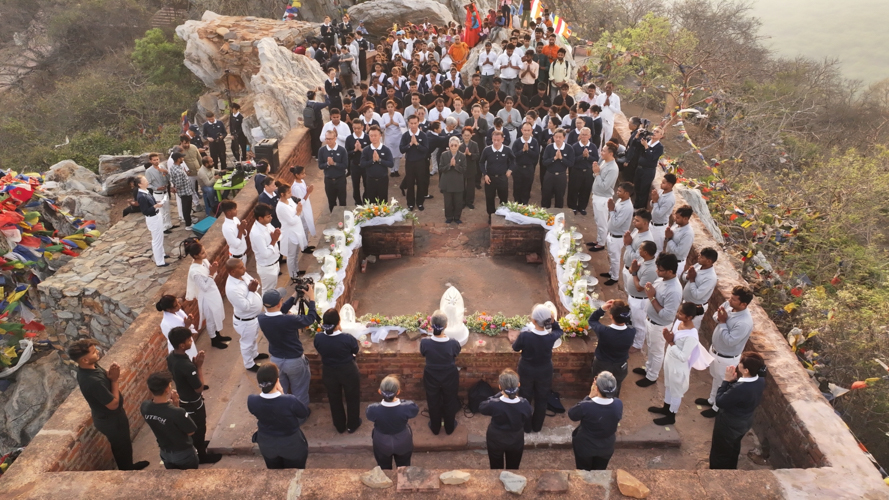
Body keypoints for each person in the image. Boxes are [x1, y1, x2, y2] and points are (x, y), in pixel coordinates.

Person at [67, 339, 150, 471]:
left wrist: (111, 374)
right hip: (111, 420)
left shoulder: (90, 367)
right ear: (85, 360)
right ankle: (127, 471)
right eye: (93, 352)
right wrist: (115, 380)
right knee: (122, 446)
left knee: (123, 445)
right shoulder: (92, 381)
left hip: (110, 418)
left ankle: (128, 466)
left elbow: (105, 376)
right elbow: (113, 405)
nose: (97, 352)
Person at [697, 286, 755, 418]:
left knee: (722, 382)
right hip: (715, 351)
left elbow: (730, 341)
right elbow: (715, 316)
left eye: (734, 299)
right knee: (715, 378)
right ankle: (711, 400)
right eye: (731, 297)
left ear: (743, 304)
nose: (729, 301)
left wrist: (723, 322)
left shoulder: (744, 322)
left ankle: (717, 407)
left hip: (726, 357)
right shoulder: (729, 305)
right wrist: (720, 318)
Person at [166, 327, 222, 464]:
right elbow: (199, 388)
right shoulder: (186, 366)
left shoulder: (171, 357)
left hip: (184, 397)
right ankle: (201, 455)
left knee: (195, 427)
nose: (191, 341)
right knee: (199, 427)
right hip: (193, 402)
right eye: (189, 340)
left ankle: (200, 444)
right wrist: (199, 367)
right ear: (182, 345)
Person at [648, 302, 711, 425]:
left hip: (678, 367)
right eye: (678, 312)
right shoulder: (678, 323)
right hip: (670, 360)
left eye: (681, 314)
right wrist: (669, 335)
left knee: (676, 391)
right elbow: (673, 337)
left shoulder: (692, 336)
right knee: (668, 385)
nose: (677, 315)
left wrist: (671, 342)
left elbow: (683, 356)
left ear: (689, 317)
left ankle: (671, 415)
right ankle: (666, 407)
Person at [258, 287, 317, 414]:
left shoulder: (261, 318)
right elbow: (310, 319)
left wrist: (295, 295)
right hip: (294, 361)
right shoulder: (289, 320)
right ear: (280, 302)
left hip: (276, 360)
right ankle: (300, 415)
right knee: (299, 391)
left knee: (280, 392)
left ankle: (285, 414)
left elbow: (279, 310)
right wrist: (312, 298)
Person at [708, 352, 767, 469]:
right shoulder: (760, 380)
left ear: (746, 371)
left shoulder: (740, 388)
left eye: (740, 363)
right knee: (733, 447)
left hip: (729, 424)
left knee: (720, 451)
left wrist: (726, 381)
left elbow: (720, 401)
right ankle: (731, 468)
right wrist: (733, 382)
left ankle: (717, 472)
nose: (738, 364)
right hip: (744, 421)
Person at [247, 363, 311, 469]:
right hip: (292, 445)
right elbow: (303, 413)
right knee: (295, 472)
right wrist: (282, 394)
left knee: (274, 473)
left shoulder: (252, 400)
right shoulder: (289, 400)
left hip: (267, 445)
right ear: (277, 381)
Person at [512, 303, 562, 433]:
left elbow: (515, 347)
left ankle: (526, 427)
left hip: (526, 369)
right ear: (548, 320)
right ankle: (537, 426)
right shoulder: (550, 337)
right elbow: (559, 330)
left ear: (533, 320)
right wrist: (553, 321)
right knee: (542, 398)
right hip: (544, 370)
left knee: (525, 396)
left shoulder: (525, 336)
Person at [635, 252, 683, 387]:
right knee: (650, 346)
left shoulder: (674, 290)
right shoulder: (662, 279)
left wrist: (651, 297)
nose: (657, 271)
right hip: (651, 320)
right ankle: (648, 368)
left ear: (670, 271)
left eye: (660, 270)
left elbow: (667, 315)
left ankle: (652, 376)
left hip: (660, 325)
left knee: (657, 351)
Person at [313, 308, 362, 433]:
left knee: (334, 399)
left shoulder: (318, 338)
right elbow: (355, 350)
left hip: (329, 371)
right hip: (348, 371)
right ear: (338, 323)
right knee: (352, 397)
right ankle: (352, 424)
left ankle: (339, 426)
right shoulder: (347, 338)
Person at [141, 371, 199, 470]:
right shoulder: (177, 412)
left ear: (149, 388)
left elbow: (162, 418)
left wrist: (174, 407)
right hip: (183, 453)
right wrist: (177, 406)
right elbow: (190, 431)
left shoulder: (145, 407)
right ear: (167, 389)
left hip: (165, 453)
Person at [479, 368, 532, 469]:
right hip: (516, 438)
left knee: (495, 466)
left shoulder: (494, 404)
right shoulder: (524, 404)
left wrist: (498, 395)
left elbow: (482, 407)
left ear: (500, 387)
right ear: (518, 385)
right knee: (513, 467)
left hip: (495, 438)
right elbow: (528, 413)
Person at [568, 372, 623, 471]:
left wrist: (589, 396)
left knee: (583, 471)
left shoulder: (586, 406)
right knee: (599, 472)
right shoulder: (618, 404)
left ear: (596, 388)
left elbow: (572, 414)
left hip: (585, 446)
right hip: (606, 447)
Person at [420, 310, 462, 435]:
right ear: (446, 326)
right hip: (449, 375)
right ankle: (449, 427)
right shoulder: (453, 343)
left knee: (433, 400)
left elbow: (423, 353)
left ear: (431, 325)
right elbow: (456, 353)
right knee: (450, 400)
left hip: (431, 375)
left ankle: (435, 427)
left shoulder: (425, 343)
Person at [183, 239, 230, 349]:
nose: (206, 254)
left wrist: (213, 271)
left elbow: (212, 276)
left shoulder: (203, 262)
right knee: (210, 319)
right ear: (195, 256)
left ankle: (218, 335)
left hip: (213, 292)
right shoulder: (195, 272)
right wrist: (212, 273)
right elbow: (203, 287)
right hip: (206, 297)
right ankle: (214, 339)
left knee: (216, 314)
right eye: (203, 253)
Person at [366, 375, 420, 469]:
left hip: (381, 443)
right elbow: (414, 409)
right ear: (398, 392)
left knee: (384, 469)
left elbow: (370, 416)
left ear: (379, 391)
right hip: (403, 442)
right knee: (404, 469)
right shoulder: (408, 407)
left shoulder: (372, 409)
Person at [225, 258, 268, 372]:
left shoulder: (242, 275)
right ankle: (249, 364)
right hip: (246, 321)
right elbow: (245, 306)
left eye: (243, 266)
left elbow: (255, 285)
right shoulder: (232, 289)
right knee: (247, 343)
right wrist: (251, 291)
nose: (245, 268)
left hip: (254, 317)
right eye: (241, 267)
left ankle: (254, 355)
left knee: (253, 338)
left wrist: (254, 287)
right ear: (232, 272)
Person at [587, 300, 636, 397]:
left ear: (611, 316)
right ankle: (612, 402)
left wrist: (602, 309)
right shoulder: (632, 331)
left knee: (598, 387)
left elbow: (592, 320)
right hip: (620, 366)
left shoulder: (604, 331)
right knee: (615, 387)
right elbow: (628, 323)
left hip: (602, 364)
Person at [626, 241, 659, 352]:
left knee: (639, 323)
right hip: (633, 297)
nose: (638, 250)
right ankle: (632, 339)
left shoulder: (651, 269)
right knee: (632, 320)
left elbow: (640, 287)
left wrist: (634, 273)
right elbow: (631, 270)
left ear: (645, 252)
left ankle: (637, 344)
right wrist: (633, 269)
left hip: (640, 300)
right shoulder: (643, 260)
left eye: (640, 248)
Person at [601, 182, 634, 286]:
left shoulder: (627, 207)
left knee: (615, 258)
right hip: (612, 234)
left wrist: (611, 209)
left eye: (620, 191)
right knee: (611, 256)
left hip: (618, 237)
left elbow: (616, 223)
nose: (617, 192)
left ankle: (615, 277)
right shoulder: (620, 200)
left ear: (627, 193)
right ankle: (611, 272)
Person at [588, 142, 619, 251]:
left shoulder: (613, 169)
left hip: (603, 198)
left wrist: (596, 173)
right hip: (597, 195)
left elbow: (605, 186)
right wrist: (595, 170)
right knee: (598, 220)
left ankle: (601, 244)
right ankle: (598, 239)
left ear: (610, 153)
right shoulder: (604, 162)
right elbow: (597, 176)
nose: (601, 152)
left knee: (602, 222)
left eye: (604, 151)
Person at [479, 130, 514, 221]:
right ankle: (491, 215)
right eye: (494, 140)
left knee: (503, 197)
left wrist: (510, 170)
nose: (496, 142)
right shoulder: (487, 150)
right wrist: (485, 174)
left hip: (502, 178)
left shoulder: (507, 150)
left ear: (502, 139)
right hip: (490, 178)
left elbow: (513, 160)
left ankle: (502, 214)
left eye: (498, 140)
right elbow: (481, 162)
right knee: (490, 197)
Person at [276, 184, 309, 281]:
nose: (291, 194)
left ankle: (296, 270)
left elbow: (295, 212)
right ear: (282, 194)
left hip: (297, 230)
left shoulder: (289, 200)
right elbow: (291, 221)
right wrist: (298, 212)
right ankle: (293, 276)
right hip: (290, 234)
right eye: (289, 192)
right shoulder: (281, 207)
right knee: (291, 256)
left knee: (296, 254)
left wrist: (298, 210)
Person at [681, 247, 719, 330]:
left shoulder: (710, 278)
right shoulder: (699, 265)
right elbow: (684, 276)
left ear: (709, 261)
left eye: (702, 257)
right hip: (686, 303)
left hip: (696, 308)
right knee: (680, 326)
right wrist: (688, 276)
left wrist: (692, 279)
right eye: (700, 256)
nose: (699, 258)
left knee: (689, 330)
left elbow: (697, 295)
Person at [249, 203, 282, 296]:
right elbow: (265, 254)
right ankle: (268, 309)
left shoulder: (267, 225)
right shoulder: (257, 234)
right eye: (268, 216)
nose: (271, 218)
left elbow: (277, 236)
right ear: (260, 218)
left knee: (273, 288)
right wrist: (274, 240)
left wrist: (277, 236)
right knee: (268, 291)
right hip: (267, 267)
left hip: (274, 263)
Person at [134, 175, 168, 267]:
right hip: (153, 218)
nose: (147, 182)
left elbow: (151, 202)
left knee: (160, 236)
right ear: (140, 184)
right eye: (145, 181)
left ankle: (162, 254)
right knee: (156, 240)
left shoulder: (146, 191)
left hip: (157, 215)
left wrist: (157, 203)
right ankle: (159, 261)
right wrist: (155, 206)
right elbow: (145, 211)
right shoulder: (141, 196)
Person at [399, 115, 431, 210]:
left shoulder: (423, 135)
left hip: (420, 163)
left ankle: (420, 203)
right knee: (410, 183)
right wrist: (410, 144)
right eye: (411, 123)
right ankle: (410, 204)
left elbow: (426, 149)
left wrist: (417, 144)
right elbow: (401, 149)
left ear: (418, 123)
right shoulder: (405, 136)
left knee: (421, 183)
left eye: (415, 123)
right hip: (409, 162)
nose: (413, 125)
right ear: (408, 123)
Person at [540, 127, 574, 208]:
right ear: (553, 137)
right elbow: (544, 162)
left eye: (560, 137)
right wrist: (554, 158)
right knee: (546, 196)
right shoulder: (549, 147)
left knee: (559, 197)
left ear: (564, 138)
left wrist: (561, 158)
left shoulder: (569, 148)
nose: (558, 139)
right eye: (556, 137)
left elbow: (571, 163)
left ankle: (557, 218)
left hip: (561, 176)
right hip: (549, 175)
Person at [156, 295, 199, 359]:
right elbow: (176, 340)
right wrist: (186, 326)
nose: (179, 305)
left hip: (188, 343)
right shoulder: (166, 324)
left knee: (195, 359)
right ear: (168, 309)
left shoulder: (178, 312)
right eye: (176, 305)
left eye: (178, 302)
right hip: (181, 350)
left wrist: (189, 321)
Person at [632, 126, 664, 209]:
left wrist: (646, 147)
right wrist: (638, 135)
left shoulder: (659, 147)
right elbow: (635, 144)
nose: (654, 133)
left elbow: (651, 157)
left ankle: (640, 208)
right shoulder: (647, 141)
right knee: (637, 187)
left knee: (643, 190)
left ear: (661, 136)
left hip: (648, 171)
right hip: (639, 168)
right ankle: (635, 204)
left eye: (657, 132)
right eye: (654, 131)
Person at [360, 125, 394, 203]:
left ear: (380, 136)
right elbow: (362, 164)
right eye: (371, 136)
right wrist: (372, 161)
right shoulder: (366, 150)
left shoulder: (385, 149)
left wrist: (379, 160)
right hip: (370, 180)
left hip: (383, 180)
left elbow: (391, 164)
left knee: (383, 202)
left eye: (375, 135)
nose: (373, 138)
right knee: (371, 202)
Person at [569, 127, 598, 215]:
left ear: (589, 136)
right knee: (574, 189)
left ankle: (582, 207)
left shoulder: (593, 146)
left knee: (586, 190)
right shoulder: (574, 146)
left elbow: (596, 159)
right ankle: (573, 207)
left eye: (586, 135)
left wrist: (588, 156)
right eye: (582, 134)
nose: (584, 136)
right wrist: (582, 156)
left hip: (588, 172)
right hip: (577, 171)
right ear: (580, 135)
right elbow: (572, 160)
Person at [318, 130, 349, 212]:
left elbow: (345, 165)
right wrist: (328, 164)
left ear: (335, 138)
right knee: (331, 202)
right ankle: (333, 220)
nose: (328, 141)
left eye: (330, 139)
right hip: (329, 180)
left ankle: (343, 219)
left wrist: (334, 163)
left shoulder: (342, 150)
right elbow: (320, 166)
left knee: (342, 202)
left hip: (340, 179)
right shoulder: (322, 150)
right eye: (327, 139)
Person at [438, 136, 466, 223]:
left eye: (455, 145)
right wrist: (449, 165)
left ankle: (457, 217)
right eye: (452, 145)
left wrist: (455, 165)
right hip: (447, 183)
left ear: (459, 146)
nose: (453, 147)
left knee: (458, 202)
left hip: (458, 183)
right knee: (448, 202)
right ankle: (449, 217)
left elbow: (464, 169)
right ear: (449, 145)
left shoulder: (462, 156)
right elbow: (441, 168)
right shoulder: (444, 155)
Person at [144, 153, 174, 233]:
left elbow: (168, 177)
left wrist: (166, 172)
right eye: (154, 160)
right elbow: (148, 184)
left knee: (167, 210)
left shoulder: (162, 167)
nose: (156, 161)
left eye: (157, 159)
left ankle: (169, 225)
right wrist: (157, 188)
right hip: (158, 194)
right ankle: (163, 228)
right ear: (151, 161)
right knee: (161, 211)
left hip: (165, 192)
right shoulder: (149, 171)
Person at [510, 122, 539, 205]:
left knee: (527, 188)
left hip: (529, 168)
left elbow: (536, 155)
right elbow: (513, 155)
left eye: (528, 130)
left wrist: (528, 151)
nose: (526, 132)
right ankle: (517, 205)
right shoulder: (517, 142)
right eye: (525, 130)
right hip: (518, 168)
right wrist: (522, 151)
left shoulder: (534, 142)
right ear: (521, 130)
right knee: (517, 187)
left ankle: (525, 205)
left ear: (531, 131)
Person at [649, 173, 676, 251]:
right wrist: (654, 200)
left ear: (670, 185)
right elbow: (652, 204)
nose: (661, 184)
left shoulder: (670, 199)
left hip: (659, 228)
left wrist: (655, 201)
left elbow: (659, 213)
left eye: (664, 183)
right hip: (652, 224)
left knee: (656, 249)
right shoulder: (661, 191)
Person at [346, 120, 371, 205]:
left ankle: (366, 199)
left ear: (362, 127)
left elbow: (370, 152)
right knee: (355, 185)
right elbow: (347, 153)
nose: (356, 130)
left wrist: (361, 150)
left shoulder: (367, 138)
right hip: (354, 165)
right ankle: (357, 201)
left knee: (367, 184)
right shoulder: (349, 138)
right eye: (354, 128)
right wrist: (354, 150)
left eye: (358, 128)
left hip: (365, 166)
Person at [168, 152, 195, 230]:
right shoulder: (178, 171)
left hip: (185, 191)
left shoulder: (174, 167)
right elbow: (179, 183)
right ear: (178, 159)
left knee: (186, 208)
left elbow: (172, 178)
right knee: (186, 208)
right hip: (185, 192)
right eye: (181, 157)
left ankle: (189, 220)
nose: (183, 159)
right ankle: (188, 224)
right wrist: (175, 187)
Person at [664, 205, 695, 272]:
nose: (675, 219)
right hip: (668, 259)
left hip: (676, 263)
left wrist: (669, 239)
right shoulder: (676, 225)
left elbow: (679, 252)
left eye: (678, 218)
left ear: (685, 219)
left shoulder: (688, 234)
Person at [382, 100, 407, 177]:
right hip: (389, 136)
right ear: (386, 107)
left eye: (391, 107)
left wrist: (396, 124)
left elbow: (404, 124)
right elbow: (380, 125)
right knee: (390, 154)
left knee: (397, 154)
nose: (390, 108)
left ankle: (396, 170)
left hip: (397, 136)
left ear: (394, 107)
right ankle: (392, 170)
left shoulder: (398, 114)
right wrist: (388, 124)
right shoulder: (384, 115)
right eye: (388, 107)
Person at [220, 200, 249, 264]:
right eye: (234, 209)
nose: (237, 210)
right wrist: (241, 230)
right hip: (237, 258)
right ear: (229, 212)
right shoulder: (226, 227)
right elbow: (236, 244)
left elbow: (245, 234)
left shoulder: (235, 219)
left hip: (243, 255)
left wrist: (243, 228)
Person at [593, 81, 621, 145]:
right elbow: (596, 108)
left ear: (613, 87)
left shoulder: (616, 98)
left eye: (609, 87)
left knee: (607, 140)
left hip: (609, 121)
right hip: (600, 120)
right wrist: (604, 105)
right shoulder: (600, 96)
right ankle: (598, 154)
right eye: (606, 87)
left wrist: (609, 105)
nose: (607, 89)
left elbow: (618, 111)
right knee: (599, 139)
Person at [305, 88, 331, 156]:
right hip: (317, 124)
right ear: (314, 96)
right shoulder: (317, 105)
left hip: (310, 123)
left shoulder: (307, 103)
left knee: (313, 139)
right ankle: (318, 155)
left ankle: (314, 154)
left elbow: (310, 97)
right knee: (318, 139)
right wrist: (324, 93)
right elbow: (328, 102)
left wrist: (314, 91)